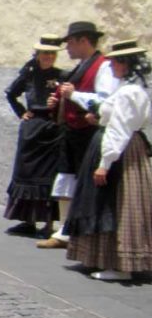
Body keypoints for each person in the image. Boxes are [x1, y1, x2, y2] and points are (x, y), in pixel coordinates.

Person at [61, 40, 151, 281]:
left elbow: (119, 129)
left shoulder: (128, 92)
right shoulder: (135, 88)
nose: (110, 68)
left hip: (121, 152)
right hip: (131, 148)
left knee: (115, 204)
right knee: (120, 203)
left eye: (113, 63)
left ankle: (120, 265)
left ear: (124, 64)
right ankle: (119, 261)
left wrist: (104, 164)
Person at [39, 21, 118, 249]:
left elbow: (103, 100)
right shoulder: (80, 66)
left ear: (84, 41)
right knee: (67, 177)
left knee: (85, 182)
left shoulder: (102, 66)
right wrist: (57, 101)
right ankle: (64, 230)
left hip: (88, 133)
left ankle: (79, 232)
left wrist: (74, 96)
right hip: (72, 131)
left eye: (71, 42)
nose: (67, 48)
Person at [3, 35, 65, 237]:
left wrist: (58, 107)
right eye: (45, 53)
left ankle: (47, 224)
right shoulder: (28, 74)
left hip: (51, 128)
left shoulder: (62, 76)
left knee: (47, 177)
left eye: (52, 53)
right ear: (38, 55)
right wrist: (21, 112)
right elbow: (11, 93)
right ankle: (27, 221)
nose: (48, 56)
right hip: (32, 129)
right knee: (27, 175)